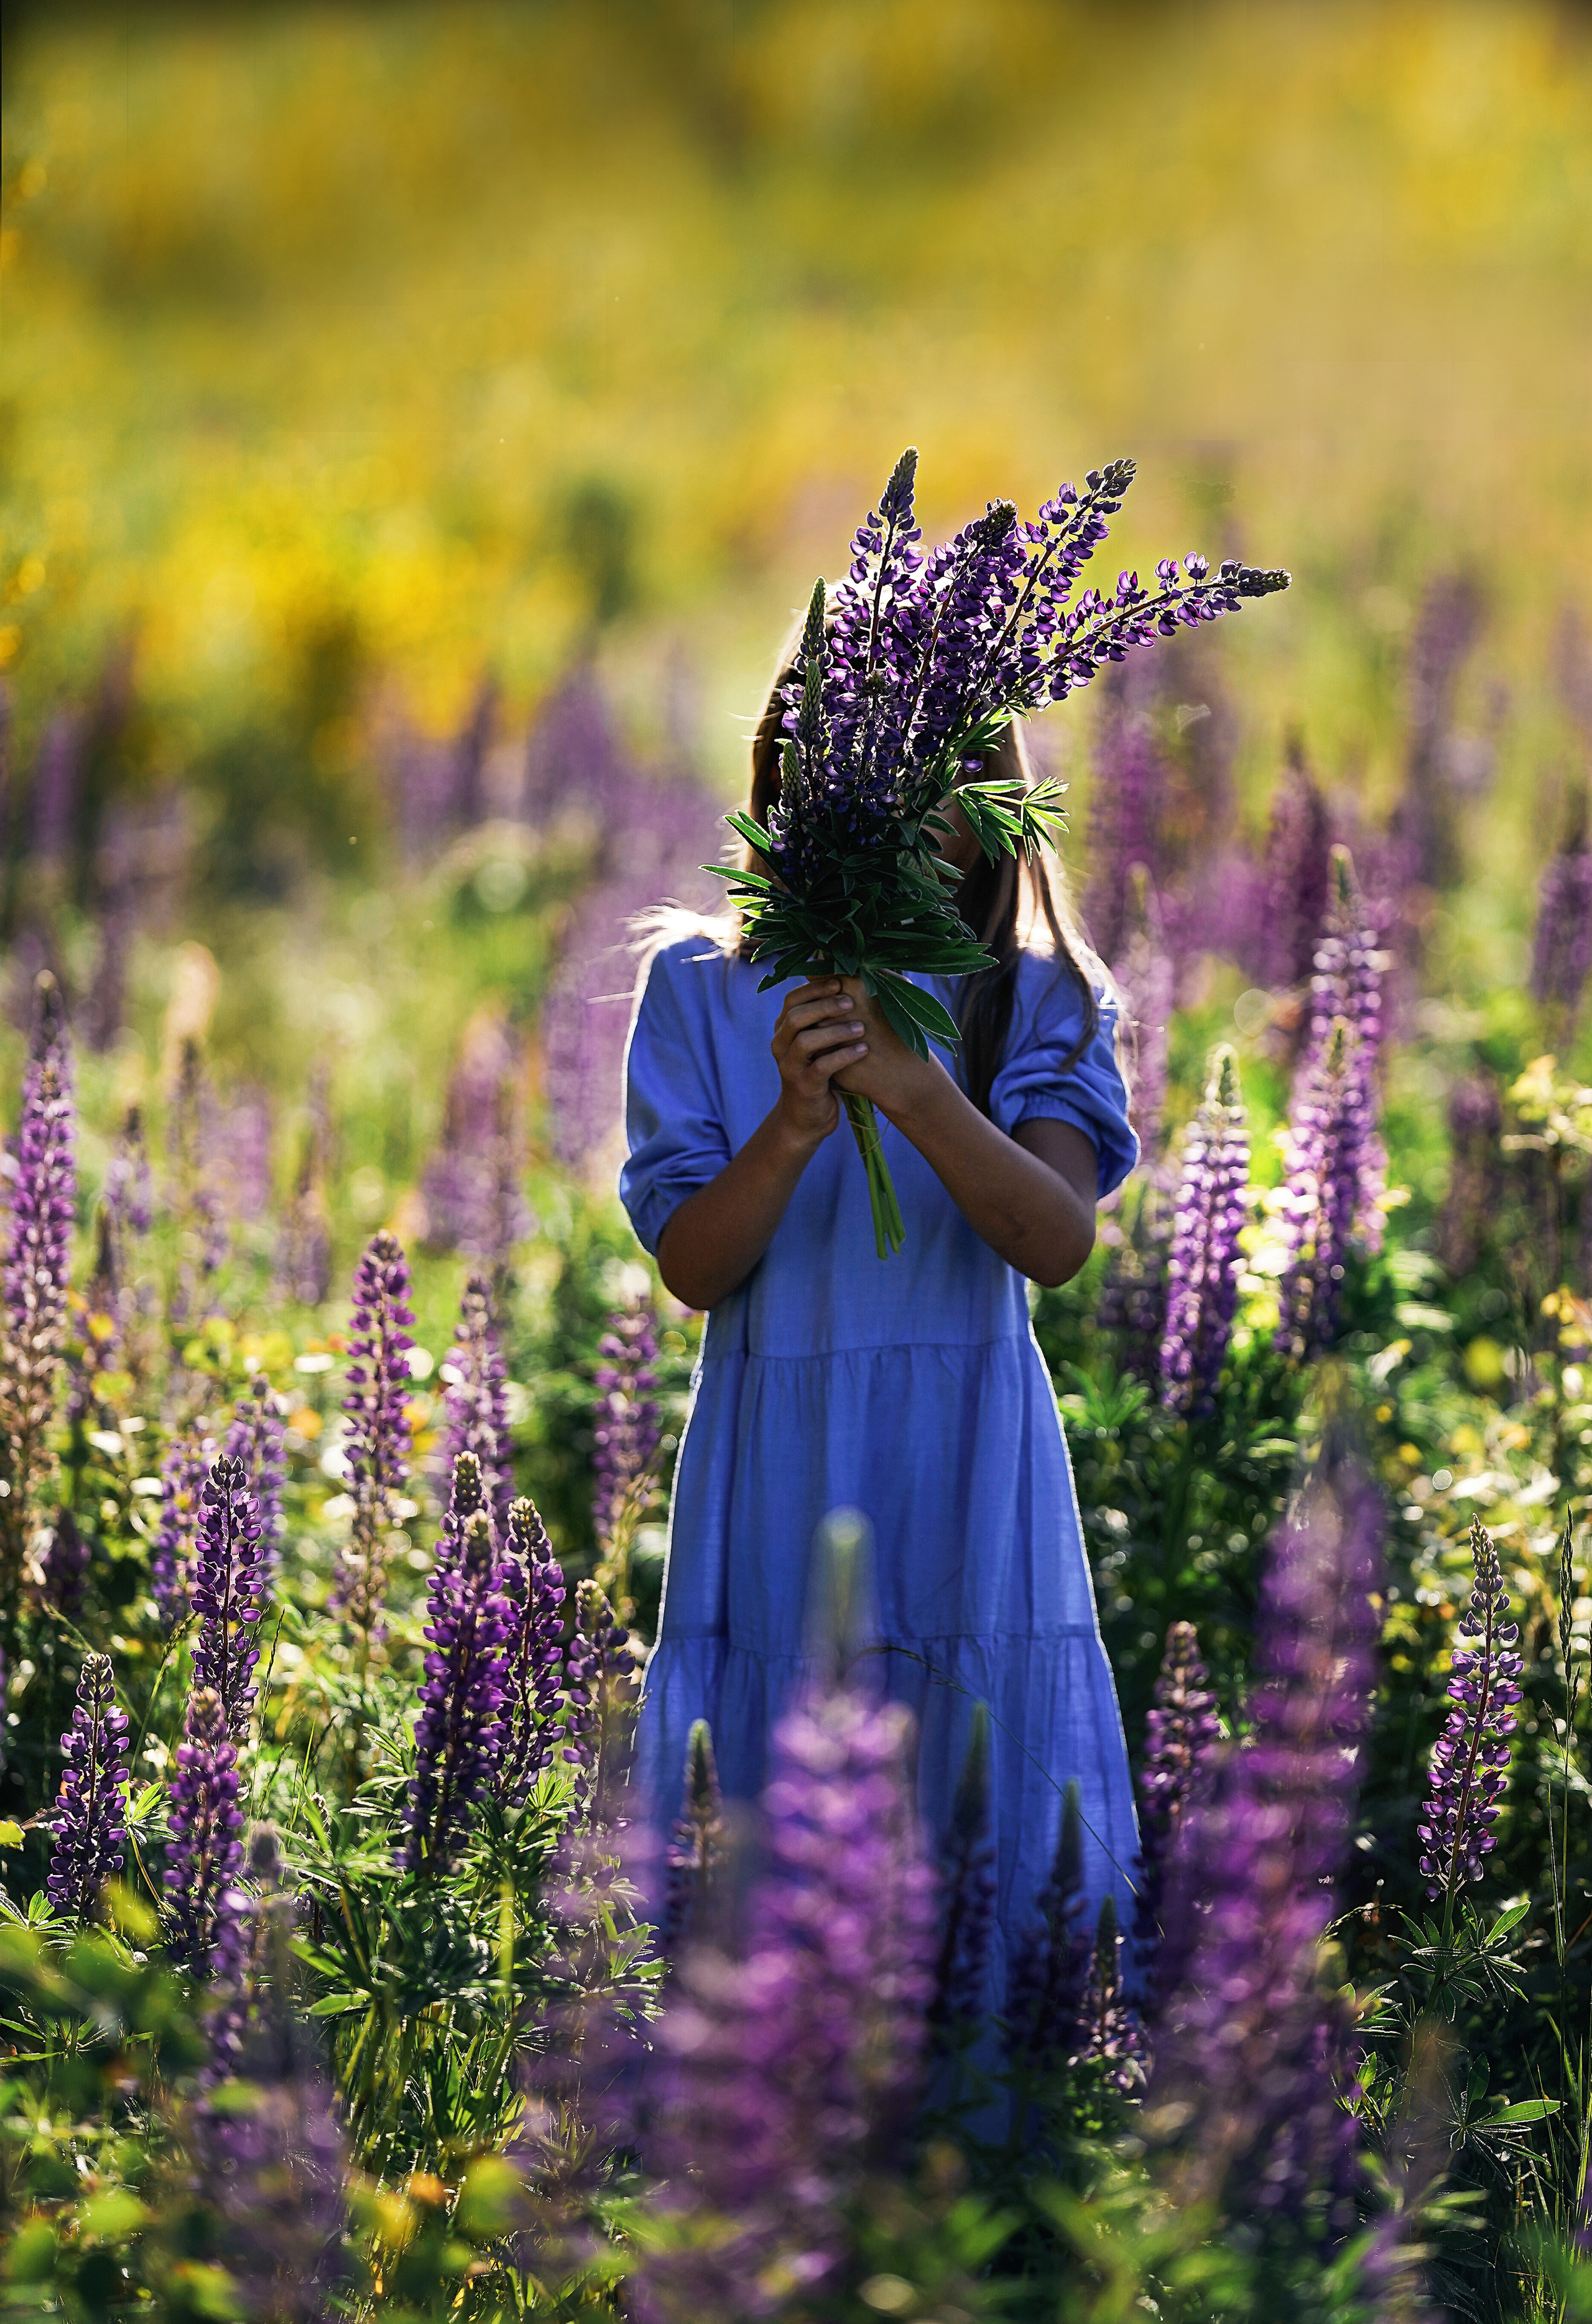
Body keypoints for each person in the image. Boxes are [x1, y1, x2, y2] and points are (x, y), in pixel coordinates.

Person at [618, 673, 1141, 2007]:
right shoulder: (703, 983)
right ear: (792, 777)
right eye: (867, 764)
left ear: (991, 813)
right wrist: (792, 1121)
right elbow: (694, 1267)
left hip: (960, 1454)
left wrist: (910, 1082)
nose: (909, 808)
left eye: (946, 777)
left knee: (964, 1757)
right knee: (769, 1775)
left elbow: (1054, 1237)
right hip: (777, 1456)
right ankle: (757, 2105)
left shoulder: (1033, 994)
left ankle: (984, 2104)